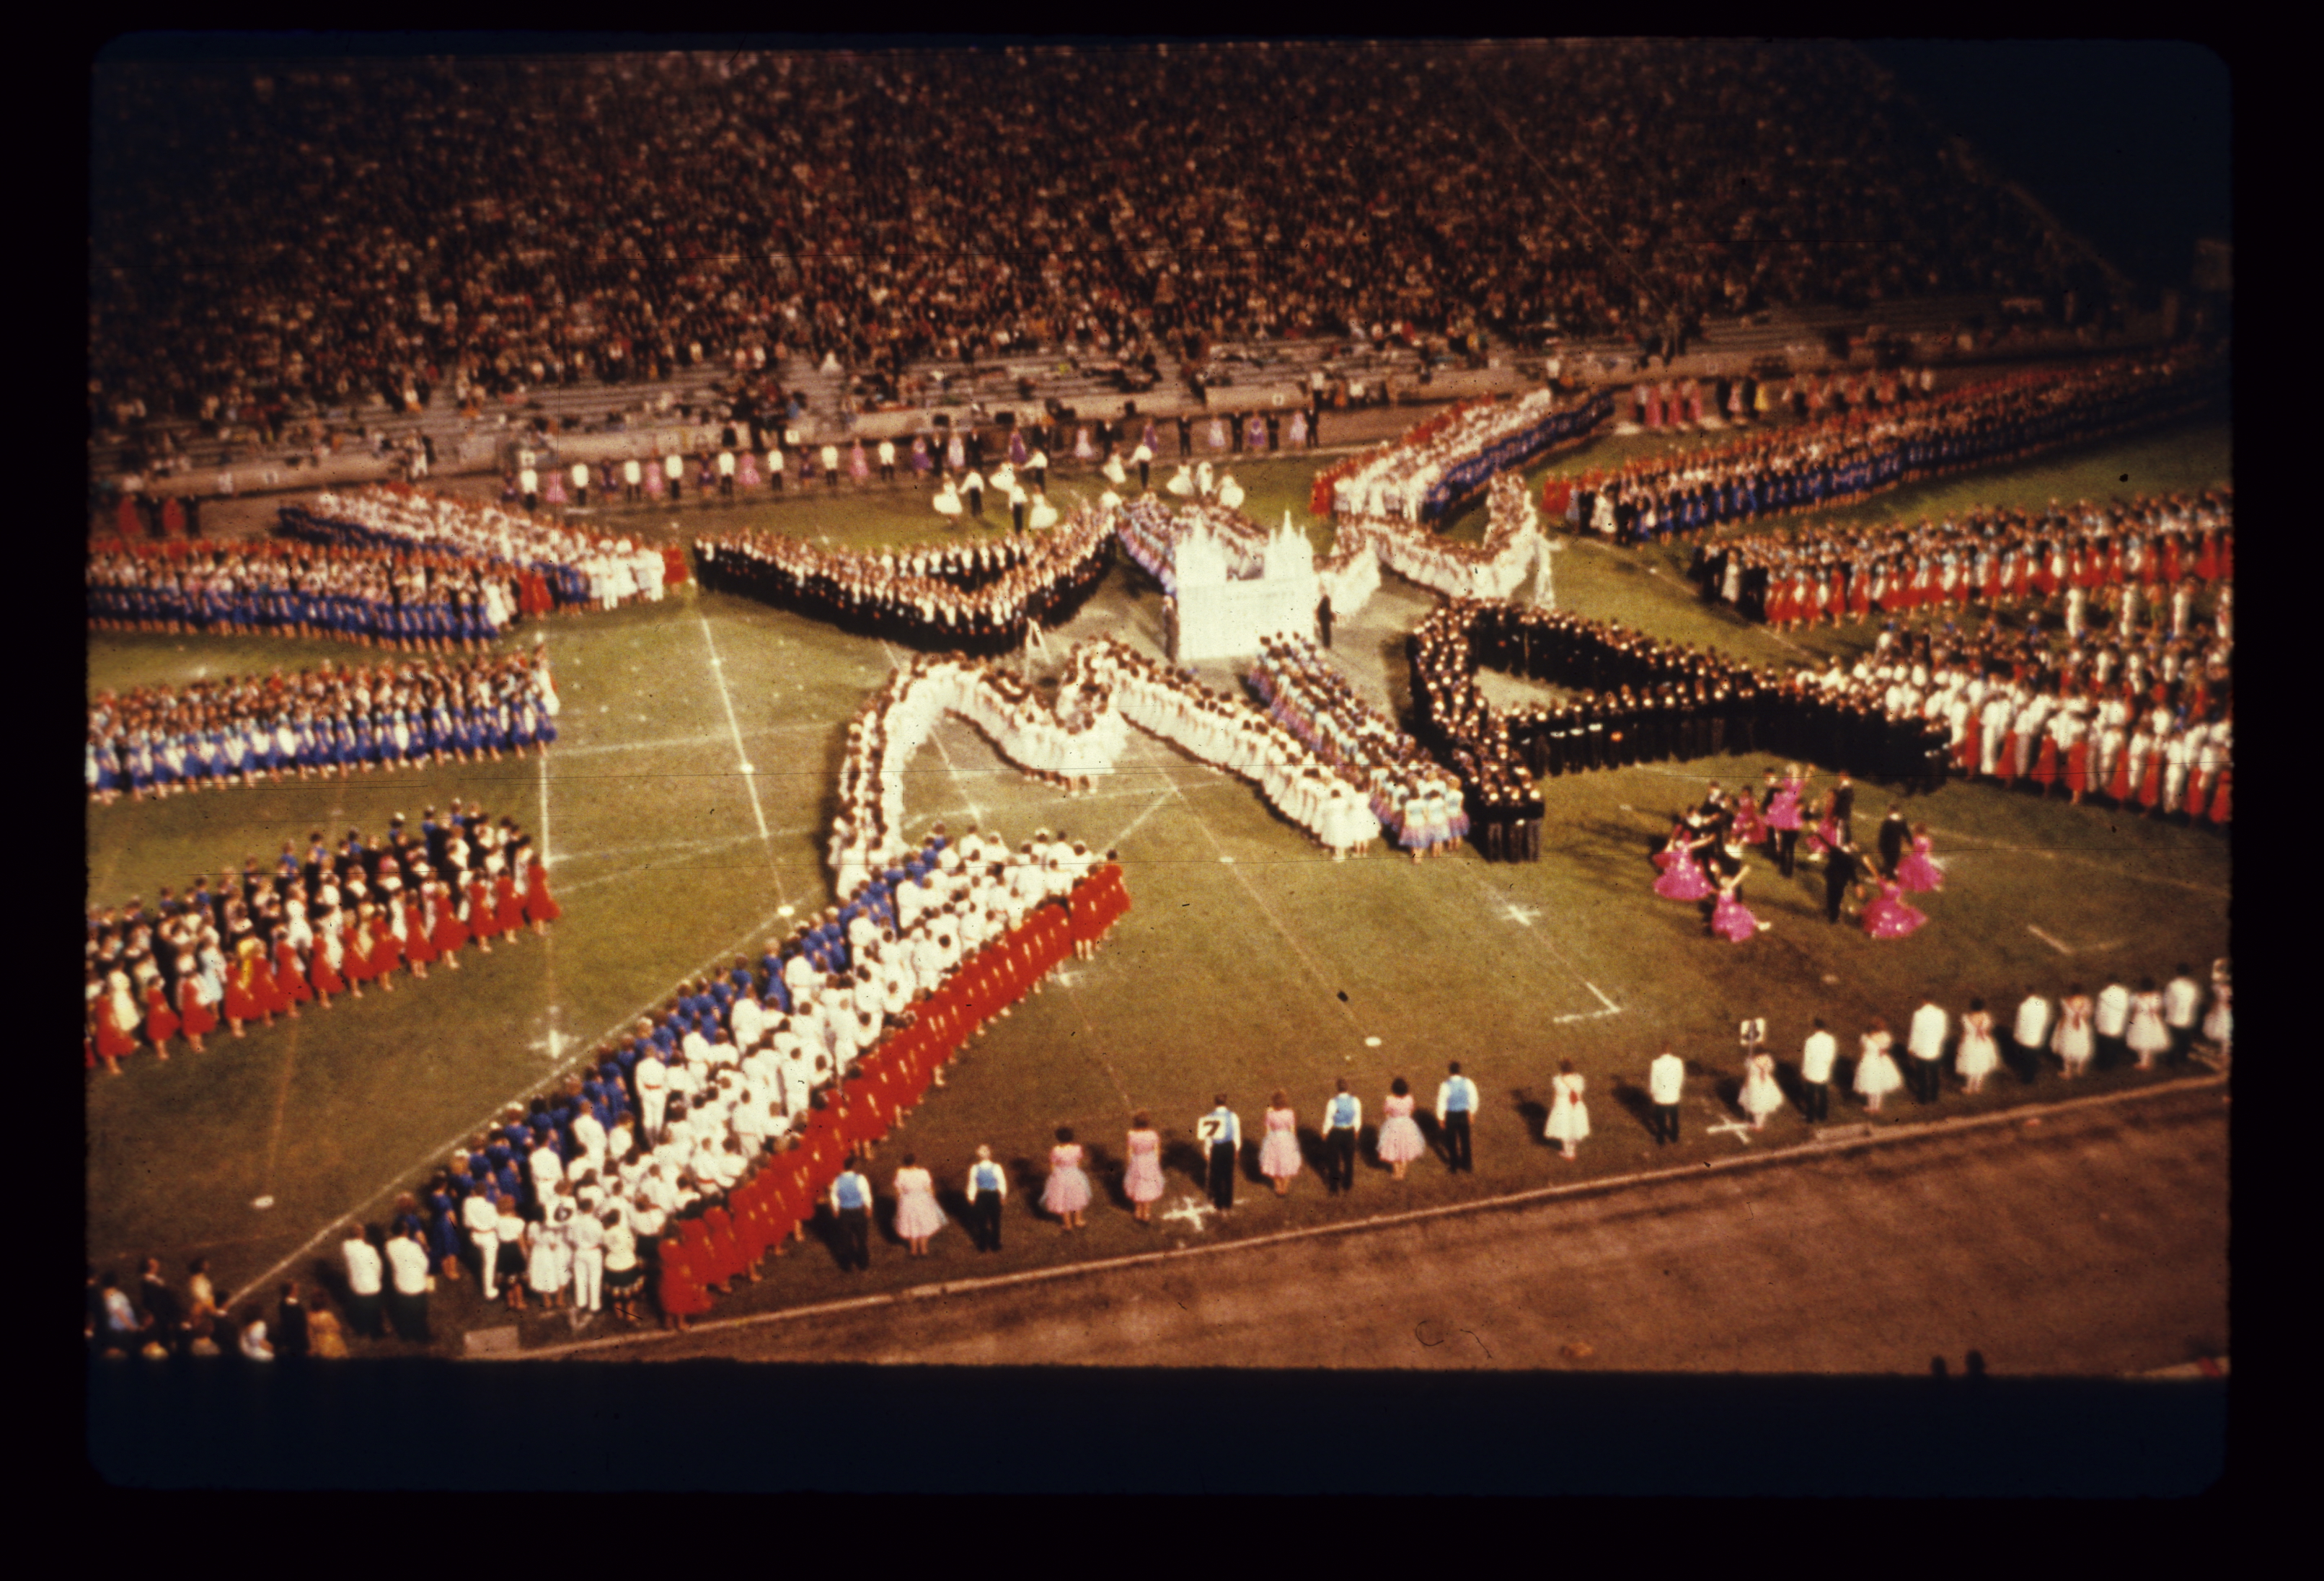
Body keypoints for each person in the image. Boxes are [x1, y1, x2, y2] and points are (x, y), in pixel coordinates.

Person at [384, 1225, 432, 1343]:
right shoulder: (413, 1247)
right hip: (415, 1284)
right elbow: (424, 1264)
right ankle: (422, 1337)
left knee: (405, 1311)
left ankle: (405, 1334)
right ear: (405, 1232)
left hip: (400, 1283)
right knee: (419, 1313)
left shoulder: (389, 1245)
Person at [892, 1153, 946, 1255]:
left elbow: (898, 1191)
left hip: (907, 1201)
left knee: (911, 1223)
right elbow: (929, 1188)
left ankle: (913, 1250)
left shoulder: (901, 1173)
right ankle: (924, 1249)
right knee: (923, 1222)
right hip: (923, 1200)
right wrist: (932, 1199)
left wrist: (900, 1202)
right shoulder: (923, 1173)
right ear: (915, 1161)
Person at [1041, 1127, 1092, 1230]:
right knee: (1077, 1196)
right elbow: (1079, 1161)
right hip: (1074, 1174)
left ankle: (1067, 1224)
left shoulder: (1056, 1150)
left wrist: (1055, 1174)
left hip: (1061, 1176)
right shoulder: (1077, 1148)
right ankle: (1078, 1220)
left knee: (1064, 1200)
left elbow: (1053, 1165)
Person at [1198, 1095, 1241, 1214]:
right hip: (1228, 1147)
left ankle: (1219, 1203)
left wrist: (1207, 1151)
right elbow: (1237, 1134)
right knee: (1228, 1176)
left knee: (1216, 1176)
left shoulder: (1210, 1117)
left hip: (1216, 1149)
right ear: (1225, 1102)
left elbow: (1208, 1138)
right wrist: (1236, 1149)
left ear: (1215, 1103)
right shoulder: (1233, 1116)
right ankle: (1228, 1203)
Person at [340, 1223, 384, 1339]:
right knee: (375, 1312)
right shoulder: (370, 1250)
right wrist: (377, 1278)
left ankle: (361, 1330)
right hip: (371, 1286)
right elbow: (378, 1267)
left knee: (360, 1310)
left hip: (356, 1286)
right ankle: (377, 1332)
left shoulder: (346, 1246)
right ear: (363, 1234)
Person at [1376, 1078, 1425, 1180]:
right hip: (1407, 1125)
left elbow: (1386, 1111)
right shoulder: (1409, 1098)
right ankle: (1402, 1172)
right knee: (1405, 1147)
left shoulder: (1390, 1100)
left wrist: (1390, 1118)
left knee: (1394, 1147)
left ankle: (1396, 1173)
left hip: (1393, 1125)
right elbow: (1411, 1110)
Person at [831, 1155, 873, 1271]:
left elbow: (834, 1196)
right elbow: (866, 1194)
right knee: (862, 1238)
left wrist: (835, 1209)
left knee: (846, 1239)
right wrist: (868, 1207)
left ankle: (847, 1265)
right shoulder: (860, 1179)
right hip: (858, 1211)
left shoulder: (836, 1181)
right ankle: (863, 1263)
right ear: (853, 1166)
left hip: (844, 1212)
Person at [1435, 1061, 1478, 1172]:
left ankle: (1453, 1166)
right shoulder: (1468, 1082)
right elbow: (1473, 1097)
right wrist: (1472, 1112)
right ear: (1460, 1070)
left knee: (1451, 1141)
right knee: (1465, 1140)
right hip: (1463, 1114)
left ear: (1450, 1072)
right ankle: (1468, 1165)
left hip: (1451, 1116)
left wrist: (1441, 1118)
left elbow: (1441, 1102)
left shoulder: (1445, 1085)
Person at [1320, 1080, 1361, 1193]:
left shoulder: (1333, 1102)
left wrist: (1325, 1132)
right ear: (1348, 1088)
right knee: (1349, 1161)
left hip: (1336, 1132)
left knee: (1333, 1161)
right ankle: (1348, 1184)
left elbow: (1329, 1119)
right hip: (1349, 1132)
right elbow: (1357, 1118)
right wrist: (1356, 1131)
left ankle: (1334, 1187)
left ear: (1337, 1089)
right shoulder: (1355, 1101)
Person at [965, 1145, 1008, 1252]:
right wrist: (1003, 1195)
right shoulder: (996, 1167)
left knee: (981, 1221)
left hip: (981, 1196)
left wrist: (971, 1197)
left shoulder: (975, 1168)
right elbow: (1001, 1182)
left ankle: (982, 1244)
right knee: (995, 1220)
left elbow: (972, 1183)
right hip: (993, 1196)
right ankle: (996, 1244)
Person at [1905, 996, 1948, 1104]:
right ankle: (1934, 1095)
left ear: (1923, 1001)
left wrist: (1911, 1047)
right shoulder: (1940, 1013)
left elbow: (1915, 1032)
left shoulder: (1918, 1014)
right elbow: (1943, 1032)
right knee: (1934, 1073)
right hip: (1935, 1048)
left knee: (1922, 1074)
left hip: (1921, 1049)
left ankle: (1923, 1097)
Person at [1854, 1019, 1903, 1113]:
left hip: (1869, 1061)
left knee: (1870, 1083)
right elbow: (1884, 1049)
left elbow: (1863, 1051)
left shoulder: (1865, 1037)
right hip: (1881, 1061)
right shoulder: (1885, 1037)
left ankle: (1871, 1106)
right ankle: (1877, 1107)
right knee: (1879, 1084)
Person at [1258, 1092, 1302, 1196]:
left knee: (1275, 1163)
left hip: (1274, 1139)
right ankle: (1285, 1188)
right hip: (1287, 1139)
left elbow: (1267, 1132)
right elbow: (1293, 1131)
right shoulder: (1290, 1113)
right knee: (1287, 1163)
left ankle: (1278, 1188)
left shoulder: (1270, 1114)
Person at [1123, 1113, 1165, 1223]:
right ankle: (1146, 1213)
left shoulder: (1131, 1135)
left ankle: (1138, 1211)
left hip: (1137, 1161)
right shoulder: (1153, 1134)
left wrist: (1130, 1165)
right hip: (1149, 1161)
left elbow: (1130, 1152)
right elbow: (1157, 1152)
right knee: (1148, 1185)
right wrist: (1155, 1164)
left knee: (1137, 1184)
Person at [2126, 977, 2173, 1071]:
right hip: (2153, 1018)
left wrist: (2130, 1022)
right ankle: (2148, 1060)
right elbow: (2158, 1010)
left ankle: (2144, 1063)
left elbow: (2134, 1011)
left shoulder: (2135, 996)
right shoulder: (2157, 996)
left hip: (2140, 1019)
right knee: (2150, 1039)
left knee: (2141, 1040)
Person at [1545, 1059, 1589, 1158]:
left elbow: (1556, 1096)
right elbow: (1580, 1095)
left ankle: (1567, 1151)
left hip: (1562, 1105)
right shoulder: (1579, 1079)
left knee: (1564, 1128)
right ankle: (1572, 1150)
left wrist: (1554, 1107)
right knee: (1575, 1127)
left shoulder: (1558, 1080)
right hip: (1576, 1104)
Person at [1956, 998, 2000, 1094]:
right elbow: (1987, 1030)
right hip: (1983, 1042)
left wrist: (1961, 1043)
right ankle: (1977, 1087)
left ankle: (1969, 1088)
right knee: (1981, 1064)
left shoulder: (1966, 1018)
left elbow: (1965, 1032)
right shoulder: (1986, 1017)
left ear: (1971, 1007)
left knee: (1971, 1064)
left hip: (1970, 1042)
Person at [2164, 964, 2204, 1067]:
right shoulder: (2193, 985)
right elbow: (2197, 1000)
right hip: (2188, 1015)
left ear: (2177, 972)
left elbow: (2167, 1001)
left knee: (2173, 1039)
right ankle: (2183, 1057)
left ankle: (2171, 1060)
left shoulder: (2172, 985)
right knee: (2185, 1038)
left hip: (2174, 1016)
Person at [2010, 990, 2052, 1084]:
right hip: (2038, 1034)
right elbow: (2046, 1019)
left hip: (2026, 1035)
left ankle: (2027, 1078)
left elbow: (2020, 1022)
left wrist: (2017, 1035)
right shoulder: (2042, 1004)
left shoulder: (2024, 1006)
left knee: (2027, 1057)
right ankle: (2033, 1073)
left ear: (2027, 994)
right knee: (2034, 1056)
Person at [2053, 985, 2096, 1078]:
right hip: (2082, 1026)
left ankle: (2068, 1071)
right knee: (2081, 1044)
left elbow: (2064, 1017)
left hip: (2069, 1026)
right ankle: (2080, 1069)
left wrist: (2059, 1029)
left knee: (2067, 1046)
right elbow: (2088, 1015)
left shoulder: (2066, 1001)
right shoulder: (2086, 1001)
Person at [1799, 1019, 1837, 1123]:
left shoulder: (1810, 1041)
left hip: (1812, 1069)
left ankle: (1810, 1117)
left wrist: (1804, 1071)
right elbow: (1831, 1056)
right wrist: (1828, 1066)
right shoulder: (1830, 1040)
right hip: (1824, 1069)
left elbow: (1807, 1058)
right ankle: (1822, 1115)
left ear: (1815, 1027)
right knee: (1823, 1094)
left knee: (1810, 1095)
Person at [1648, 1043, 1684, 1144]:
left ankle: (1661, 1139)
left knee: (1660, 1119)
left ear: (1661, 1050)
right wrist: (1677, 1090)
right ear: (1670, 1050)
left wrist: (1653, 1093)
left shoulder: (1656, 1063)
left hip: (1660, 1096)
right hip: (1673, 1096)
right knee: (1674, 1118)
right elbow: (1680, 1078)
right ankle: (1674, 1136)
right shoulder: (1678, 1062)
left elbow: (1653, 1080)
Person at [2093, 979, 2132, 1071]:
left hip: (2106, 1021)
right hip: (2118, 1020)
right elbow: (2127, 1008)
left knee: (2105, 1044)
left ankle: (2105, 1064)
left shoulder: (2104, 994)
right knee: (2115, 1043)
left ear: (2108, 983)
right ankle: (2113, 1062)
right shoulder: (2124, 993)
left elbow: (2100, 1010)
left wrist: (2097, 1022)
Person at [275, 1282, 310, 1360]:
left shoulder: (284, 1303)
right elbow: (299, 1325)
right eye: (296, 1289)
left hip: (292, 1338)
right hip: (297, 1340)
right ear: (290, 1291)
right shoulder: (292, 1306)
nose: (298, 1290)